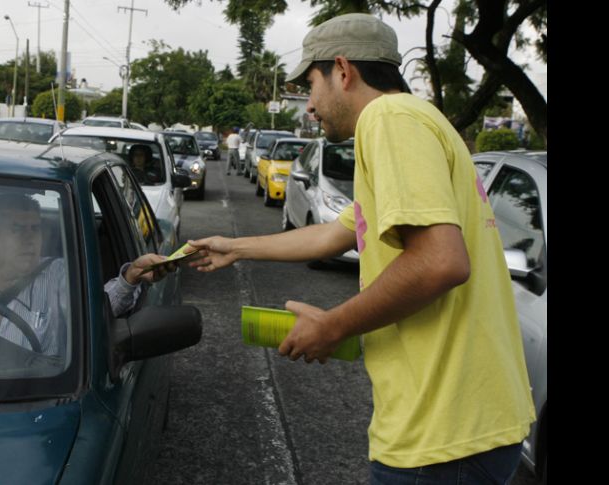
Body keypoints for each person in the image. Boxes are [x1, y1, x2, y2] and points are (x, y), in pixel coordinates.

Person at [187, 13, 535, 485]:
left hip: (442, 434)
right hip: (465, 426)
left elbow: (440, 262)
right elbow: (335, 232)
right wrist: (235, 246)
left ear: (343, 71)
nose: (309, 106)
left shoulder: (388, 120)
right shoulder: (420, 119)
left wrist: (332, 326)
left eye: (311, 84)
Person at [0, 194, 176, 356]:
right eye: (17, 229)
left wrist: (130, 276)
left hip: (30, 407)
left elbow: (98, 308)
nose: (30, 239)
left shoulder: (59, 276)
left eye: (35, 229)